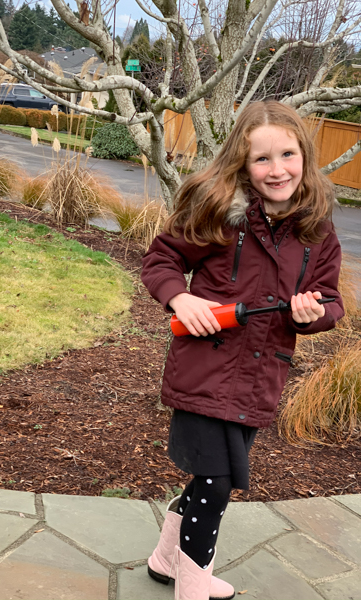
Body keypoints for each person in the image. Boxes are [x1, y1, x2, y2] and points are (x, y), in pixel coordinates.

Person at [141, 101, 344, 600]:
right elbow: (161, 259)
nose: (278, 170)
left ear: (304, 155)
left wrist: (312, 314)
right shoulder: (218, 210)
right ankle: (192, 587)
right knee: (215, 484)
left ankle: (166, 558)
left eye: (288, 155)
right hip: (205, 368)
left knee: (217, 477)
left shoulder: (317, 229)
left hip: (260, 378)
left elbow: (331, 300)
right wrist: (181, 297)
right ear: (242, 162)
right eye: (262, 159)